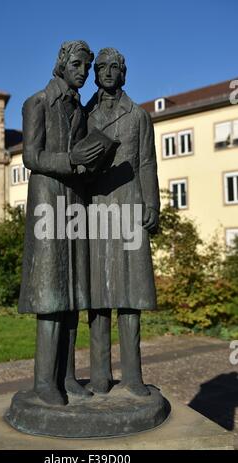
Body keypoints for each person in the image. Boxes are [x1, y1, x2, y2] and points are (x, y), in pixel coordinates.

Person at [18, 41, 105, 405]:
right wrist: (71, 160)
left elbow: (80, 158)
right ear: (62, 64)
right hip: (48, 201)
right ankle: (43, 382)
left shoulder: (79, 112)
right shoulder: (37, 102)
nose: (83, 71)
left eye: (87, 66)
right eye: (77, 64)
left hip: (74, 204)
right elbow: (31, 156)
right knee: (52, 296)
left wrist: (92, 162)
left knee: (73, 296)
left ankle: (67, 376)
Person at [86, 48, 160, 396]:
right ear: (96, 73)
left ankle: (132, 375)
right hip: (97, 207)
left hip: (130, 205)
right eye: (102, 67)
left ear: (123, 73)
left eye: (115, 67)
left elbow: (147, 162)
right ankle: (100, 374)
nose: (109, 72)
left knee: (130, 293)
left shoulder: (139, 116)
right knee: (99, 295)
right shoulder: (85, 114)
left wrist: (152, 204)